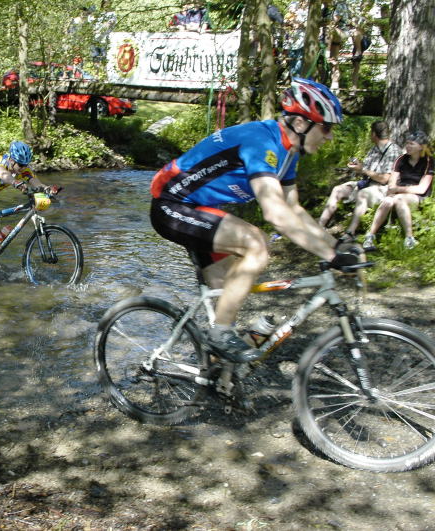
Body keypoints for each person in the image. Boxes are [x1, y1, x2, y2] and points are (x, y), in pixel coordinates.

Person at [149, 78, 358, 363]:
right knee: (255, 244)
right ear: (300, 124)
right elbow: (274, 213)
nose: (329, 136)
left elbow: (293, 209)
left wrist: (336, 247)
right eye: (326, 127)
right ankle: (220, 334)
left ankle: (213, 372)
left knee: (224, 295)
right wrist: (330, 255)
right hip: (171, 206)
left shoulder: (288, 153)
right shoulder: (262, 142)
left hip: (202, 211)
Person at [318, 120, 402, 239]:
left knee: (363, 194)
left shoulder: (393, 151)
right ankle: (320, 226)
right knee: (338, 189)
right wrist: (358, 166)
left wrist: (362, 169)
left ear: (373, 134)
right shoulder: (374, 149)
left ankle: (350, 232)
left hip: (382, 189)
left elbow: (385, 179)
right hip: (367, 183)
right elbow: (367, 169)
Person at [362, 131, 432, 251]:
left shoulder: (429, 162)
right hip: (399, 193)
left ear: (421, 146)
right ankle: (370, 236)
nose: (407, 146)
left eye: (412, 144)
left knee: (398, 198)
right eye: (407, 143)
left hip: (417, 196)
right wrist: (392, 191)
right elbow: (392, 183)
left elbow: (421, 189)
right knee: (388, 200)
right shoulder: (401, 159)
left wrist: (397, 189)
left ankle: (409, 238)